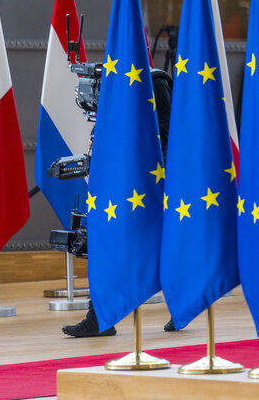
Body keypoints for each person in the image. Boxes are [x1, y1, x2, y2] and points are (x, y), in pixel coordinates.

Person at [62, 68, 174, 338]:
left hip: (146, 186)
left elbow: (166, 136)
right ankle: (99, 315)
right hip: (116, 182)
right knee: (105, 246)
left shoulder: (155, 81)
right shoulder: (113, 81)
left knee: (162, 248)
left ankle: (183, 304)